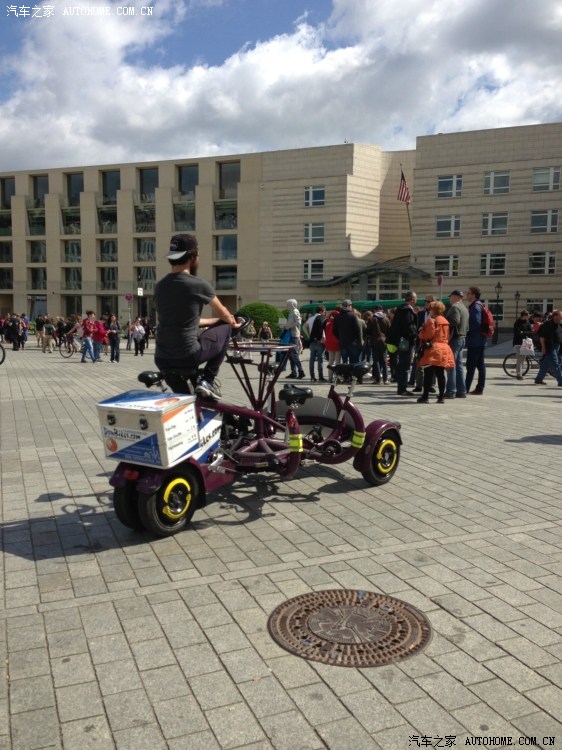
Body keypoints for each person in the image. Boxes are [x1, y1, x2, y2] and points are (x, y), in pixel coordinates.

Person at [154, 233, 239, 399]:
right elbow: (227, 317)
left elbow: (186, 320)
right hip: (187, 355)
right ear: (193, 257)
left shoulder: (160, 286)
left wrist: (215, 321)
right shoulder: (198, 285)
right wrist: (232, 322)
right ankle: (208, 380)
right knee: (227, 328)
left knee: (188, 404)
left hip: (162, 358)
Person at [416, 301, 455, 403]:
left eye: (430, 309)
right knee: (440, 374)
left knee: (428, 374)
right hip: (444, 348)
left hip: (433, 349)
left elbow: (428, 335)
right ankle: (441, 397)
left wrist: (421, 331)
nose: (429, 311)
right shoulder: (445, 321)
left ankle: (425, 397)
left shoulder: (432, 321)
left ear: (433, 310)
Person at [387, 291, 418, 396]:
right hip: (406, 341)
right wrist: (415, 333)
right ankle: (402, 388)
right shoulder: (407, 311)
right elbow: (408, 326)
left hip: (399, 340)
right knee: (405, 365)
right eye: (415, 299)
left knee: (401, 364)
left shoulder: (400, 309)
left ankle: (401, 387)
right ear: (412, 300)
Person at [444, 290, 469, 398]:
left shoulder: (455, 307)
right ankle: (461, 391)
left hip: (455, 339)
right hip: (462, 337)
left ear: (455, 297)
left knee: (451, 365)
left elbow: (454, 321)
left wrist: (445, 321)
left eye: (451, 297)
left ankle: (451, 391)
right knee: (459, 365)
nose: (450, 299)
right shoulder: (464, 308)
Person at [464, 286, 487, 395]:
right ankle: (479, 388)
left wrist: (467, 330)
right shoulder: (479, 305)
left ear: (473, 295)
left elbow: (476, 322)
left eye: (468, 293)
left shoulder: (475, 306)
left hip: (475, 340)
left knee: (471, 365)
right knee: (480, 365)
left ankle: (465, 388)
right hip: (479, 340)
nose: (466, 295)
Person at [533, 309, 562, 387]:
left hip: (557, 347)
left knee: (545, 365)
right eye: (560, 317)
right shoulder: (548, 324)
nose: (561, 318)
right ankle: (560, 381)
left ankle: (538, 379)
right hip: (550, 347)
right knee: (555, 364)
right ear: (555, 316)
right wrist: (543, 347)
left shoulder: (559, 324)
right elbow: (542, 337)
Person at [333, 300, 362, 365]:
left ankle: (346, 372)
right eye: (351, 305)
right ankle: (352, 372)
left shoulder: (337, 317)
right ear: (348, 306)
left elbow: (334, 331)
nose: (351, 307)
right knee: (354, 362)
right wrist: (357, 340)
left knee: (344, 362)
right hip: (352, 343)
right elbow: (357, 330)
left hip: (343, 343)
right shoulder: (352, 316)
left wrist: (340, 338)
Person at [284, 299, 306, 379]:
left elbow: (298, 322)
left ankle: (301, 371)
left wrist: (289, 326)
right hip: (291, 334)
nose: (286, 306)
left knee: (294, 354)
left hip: (294, 335)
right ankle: (294, 372)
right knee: (291, 355)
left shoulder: (295, 311)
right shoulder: (291, 312)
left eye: (288, 304)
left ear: (291, 304)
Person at [305, 305, 327, 382]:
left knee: (312, 359)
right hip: (320, 341)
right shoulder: (322, 318)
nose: (325, 313)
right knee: (320, 359)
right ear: (321, 311)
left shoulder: (311, 318)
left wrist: (309, 336)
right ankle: (320, 376)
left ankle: (312, 376)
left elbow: (304, 327)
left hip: (312, 340)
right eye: (324, 311)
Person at [370, 306, 390, 384]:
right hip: (384, 341)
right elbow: (389, 330)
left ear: (375, 311)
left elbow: (368, 331)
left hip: (374, 341)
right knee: (384, 361)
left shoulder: (372, 319)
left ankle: (378, 379)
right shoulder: (386, 319)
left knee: (376, 361)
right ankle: (385, 379)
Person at [512, 309, 533, 380]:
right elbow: (518, 333)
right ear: (524, 316)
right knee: (519, 359)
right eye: (528, 315)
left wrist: (523, 332)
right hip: (518, 343)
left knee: (523, 359)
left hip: (526, 343)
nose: (529, 317)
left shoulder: (528, 323)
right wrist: (525, 333)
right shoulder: (517, 323)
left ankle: (520, 373)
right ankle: (519, 375)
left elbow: (530, 332)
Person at [324, 308, 341, 372]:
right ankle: (337, 376)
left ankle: (330, 376)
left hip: (329, 343)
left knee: (331, 361)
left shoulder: (327, 322)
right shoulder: (337, 323)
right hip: (337, 344)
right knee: (337, 362)